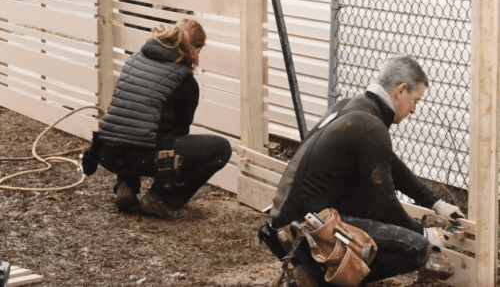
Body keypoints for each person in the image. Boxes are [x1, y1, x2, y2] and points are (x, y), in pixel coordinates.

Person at [267, 55, 464, 285]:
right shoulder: (371, 127)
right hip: (308, 230)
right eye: (416, 100)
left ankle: (314, 269)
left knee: (373, 214)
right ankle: (321, 277)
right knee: (415, 248)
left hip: (288, 220)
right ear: (400, 91)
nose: (414, 110)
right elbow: (384, 205)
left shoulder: (353, 108)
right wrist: (424, 234)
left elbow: (392, 164)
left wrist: (436, 203)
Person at [92, 18, 232, 217]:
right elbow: (180, 129)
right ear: (196, 49)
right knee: (220, 148)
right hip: (141, 158)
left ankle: (126, 186)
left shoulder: (134, 60)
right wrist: (166, 176)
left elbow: (124, 111)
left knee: (134, 124)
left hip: (107, 153)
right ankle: (161, 199)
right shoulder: (185, 80)